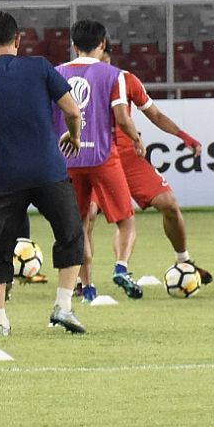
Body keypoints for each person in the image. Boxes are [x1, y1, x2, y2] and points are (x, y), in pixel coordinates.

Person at [0, 11, 87, 336]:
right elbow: (73, 110)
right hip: (48, 170)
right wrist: (74, 136)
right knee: (70, 234)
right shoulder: (41, 67)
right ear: (18, 39)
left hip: (4, 175)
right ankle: (63, 307)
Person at [89, 47, 213, 283]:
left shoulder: (126, 79)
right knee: (89, 216)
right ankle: (83, 284)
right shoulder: (77, 79)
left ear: (108, 56)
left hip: (127, 156)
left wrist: (184, 136)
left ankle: (183, 259)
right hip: (95, 156)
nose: (101, 65)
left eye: (104, 60)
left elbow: (155, 114)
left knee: (169, 204)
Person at [54, 20, 144, 302]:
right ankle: (121, 267)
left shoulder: (56, 74)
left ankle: (88, 288)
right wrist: (137, 139)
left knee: (80, 224)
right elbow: (121, 117)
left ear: (73, 45)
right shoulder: (113, 74)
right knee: (126, 220)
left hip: (69, 158)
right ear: (103, 44)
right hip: (104, 157)